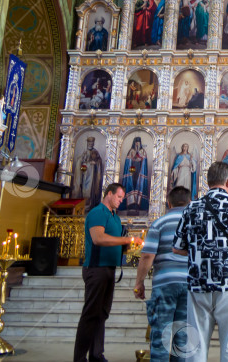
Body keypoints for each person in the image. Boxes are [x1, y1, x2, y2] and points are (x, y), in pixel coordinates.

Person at [173, 162, 228, 362]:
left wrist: (200, 250)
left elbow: (177, 247)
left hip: (198, 283)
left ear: (207, 181)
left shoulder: (191, 207)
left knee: (195, 348)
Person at [73, 183, 134, 362]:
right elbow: (98, 238)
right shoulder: (98, 212)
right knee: (91, 313)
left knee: (102, 313)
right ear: (109, 194)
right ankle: (79, 357)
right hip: (96, 268)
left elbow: (115, 242)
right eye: (119, 197)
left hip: (109, 268)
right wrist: (125, 239)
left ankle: (96, 354)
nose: (121, 201)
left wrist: (127, 245)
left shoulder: (114, 216)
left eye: (122, 198)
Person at [134, 187, 192, 362]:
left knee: (160, 336)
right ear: (190, 202)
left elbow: (147, 256)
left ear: (168, 203)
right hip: (189, 284)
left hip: (164, 283)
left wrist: (139, 282)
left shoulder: (160, 223)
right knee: (181, 338)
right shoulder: (195, 224)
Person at [72, 137, 103, 213]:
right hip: (85, 174)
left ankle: (90, 206)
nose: (90, 144)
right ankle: (83, 206)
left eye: (92, 143)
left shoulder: (96, 152)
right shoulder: (84, 152)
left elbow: (99, 161)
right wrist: (85, 163)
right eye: (89, 143)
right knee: (83, 189)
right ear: (87, 143)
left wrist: (95, 163)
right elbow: (80, 161)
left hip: (92, 175)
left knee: (90, 190)